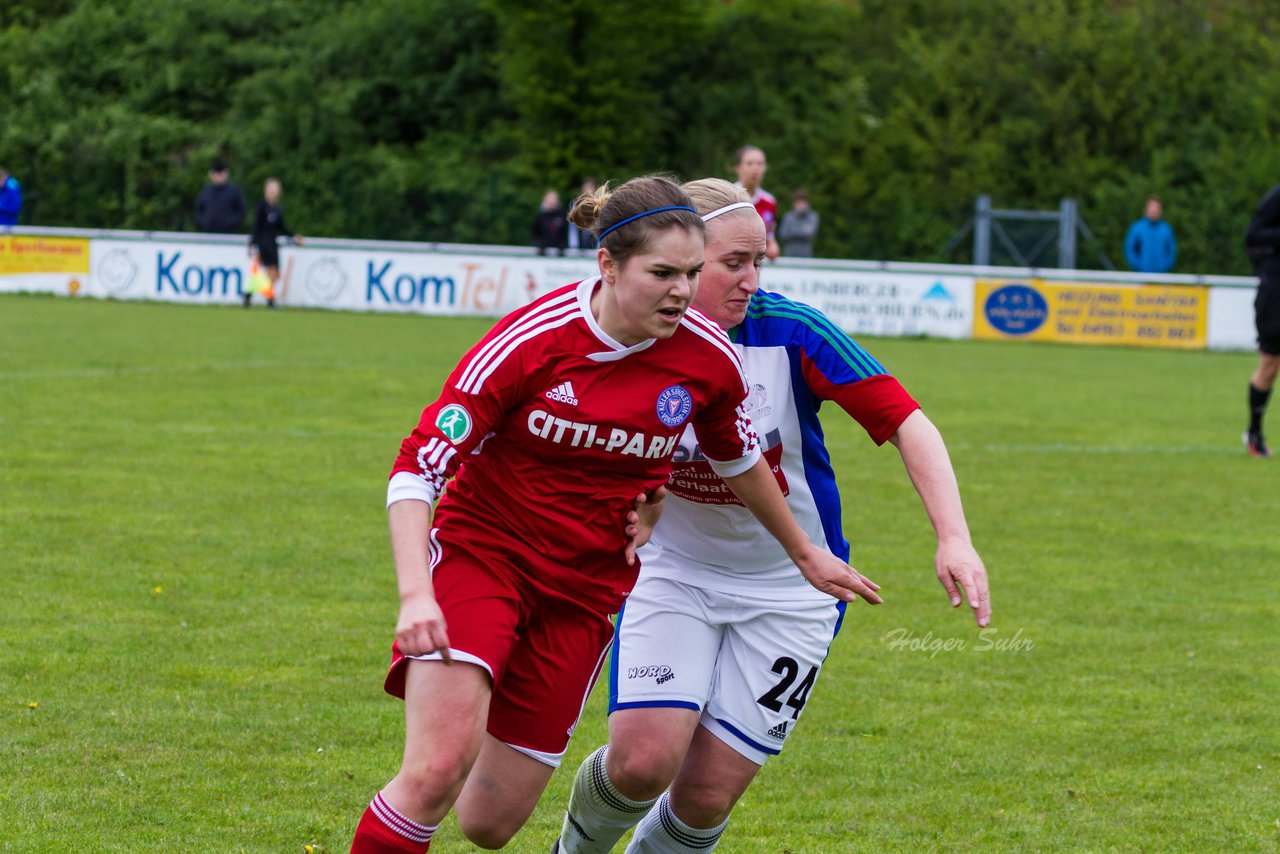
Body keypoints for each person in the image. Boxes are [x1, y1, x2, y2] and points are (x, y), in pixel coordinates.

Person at [349, 175, 880, 853]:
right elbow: (417, 468)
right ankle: (459, 697)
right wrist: (415, 594)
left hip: (583, 592)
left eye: (691, 272)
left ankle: (480, 696)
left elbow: (738, 459)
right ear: (608, 264)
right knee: (434, 771)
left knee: (489, 823)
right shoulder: (533, 341)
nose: (683, 292)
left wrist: (804, 553)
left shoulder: (708, 357)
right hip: (486, 557)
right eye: (662, 273)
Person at [554, 179, 990, 854]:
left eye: (759, 260)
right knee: (642, 763)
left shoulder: (792, 333)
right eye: (733, 263)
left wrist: (954, 538)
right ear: (685, 256)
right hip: (674, 574)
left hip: (794, 591)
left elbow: (908, 421)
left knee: (702, 797)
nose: (751, 279)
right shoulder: (623, 339)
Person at [1243, 181, 1280, 457]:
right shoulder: (1276, 198)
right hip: (1275, 292)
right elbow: (1253, 235)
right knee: (1270, 364)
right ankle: (1254, 433)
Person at [247, 177, 301, 308]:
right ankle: (270, 300)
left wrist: (294, 236)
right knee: (271, 271)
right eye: (270, 188)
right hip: (263, 243)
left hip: (273, 243)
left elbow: (281, 227)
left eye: (275, 189)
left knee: (273, 273)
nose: (273, 191)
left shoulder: (277, 208)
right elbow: (256, 226)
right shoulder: (262, 206)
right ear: (265, 190)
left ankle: (249, 294)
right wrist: (252, 242)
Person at [732, 146, 779, 261]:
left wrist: (772, 246)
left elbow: (769, 235)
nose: (755, 169)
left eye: (760, 164)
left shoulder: (769, 202)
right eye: (749, 163)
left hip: (756, 267)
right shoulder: (726, 197)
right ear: (738, 168)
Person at [1123, 196, 1177, 274]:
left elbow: (1172, 250)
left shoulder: (1166, 229)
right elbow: (1129, 249)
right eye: (1152, 208)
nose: (1154, 210)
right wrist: (1137, 265)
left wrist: (1166, 266)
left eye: (1156, 208)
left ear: (1160, 211)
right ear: (1146, 210)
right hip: (1141, 275)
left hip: (1162, 275)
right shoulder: (1137, 228)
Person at [193, 160, 246, 234]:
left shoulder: (235, 191)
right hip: (208, 233)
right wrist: (204, 223)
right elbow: (198, 210)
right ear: (211, 174)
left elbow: (241, 212)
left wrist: (229, 224)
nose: (218, 176)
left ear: (226, 174)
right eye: (216, 174)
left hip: (229, 234)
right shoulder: (205, 191)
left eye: (220, 173)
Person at [777, 189, 819, 257]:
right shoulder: (787, 216)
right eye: (798, 202)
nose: (800, 205)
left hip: (806, 256)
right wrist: (802, 230)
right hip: (789, 255)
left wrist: (792, 230)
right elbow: (783, 235)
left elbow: (810, 234)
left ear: (807, 203)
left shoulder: (813, 216)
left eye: (803, 202)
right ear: (794, 203)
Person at [532, 189, 569, 256]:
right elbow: (534, 233)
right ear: (545, 200)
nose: (552, 201)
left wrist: (562, 246)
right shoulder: (540, 216)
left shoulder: (562, 214)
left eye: (554, 198)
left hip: (559, 252)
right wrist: (539, 245)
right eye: (550, 198)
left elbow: (566, 233)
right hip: (543, 252)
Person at [568, 178, 600, 252]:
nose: (587, 190)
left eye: (589, 187)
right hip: (579, 244)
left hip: (595, 244)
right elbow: (572, 227)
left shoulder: (599, 205)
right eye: (585, 188)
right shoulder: (576, 205)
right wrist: (574, 246)